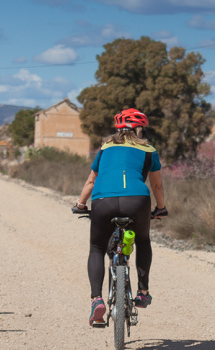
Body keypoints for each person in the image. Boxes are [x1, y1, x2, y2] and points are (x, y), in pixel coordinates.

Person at [72, 108, 168, 327]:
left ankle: (97, 299)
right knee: (142, 240)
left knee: (97, 248)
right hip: (137, 200)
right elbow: (156, 185)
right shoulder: (148, 149)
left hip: (103, 200)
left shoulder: (106, 148)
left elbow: (90, 181)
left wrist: (80, 205)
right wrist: (161, 207)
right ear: (139, 128)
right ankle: (143, 292)